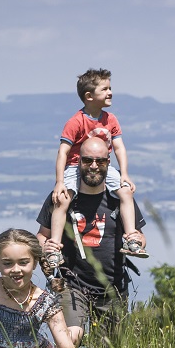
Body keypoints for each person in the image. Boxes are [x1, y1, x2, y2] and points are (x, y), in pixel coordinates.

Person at [37, 137, 147, 348]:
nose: (94, 166)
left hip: (112, 287)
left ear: (108, 162)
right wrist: (46, 246)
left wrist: (138, 241)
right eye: (87, 161)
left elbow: (140, 237)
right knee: (71, 338)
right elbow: (41, 235)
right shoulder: (62, 196)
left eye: (100, 161)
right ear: (78, 162)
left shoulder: (120, 199)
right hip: (71, 284)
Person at [47, 68, 148, 264]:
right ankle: (54, 248)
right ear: (89, 96)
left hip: (104, 166)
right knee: (62, 200)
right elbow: (63, 152)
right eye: (105, 89)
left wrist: (124, 174)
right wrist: (59, 182)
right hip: (77, 165)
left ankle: (131, 238)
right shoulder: (76, 121)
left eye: (110, 88)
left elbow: (119, 148)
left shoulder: (111, 119)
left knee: (126, 193)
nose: (110, 92)